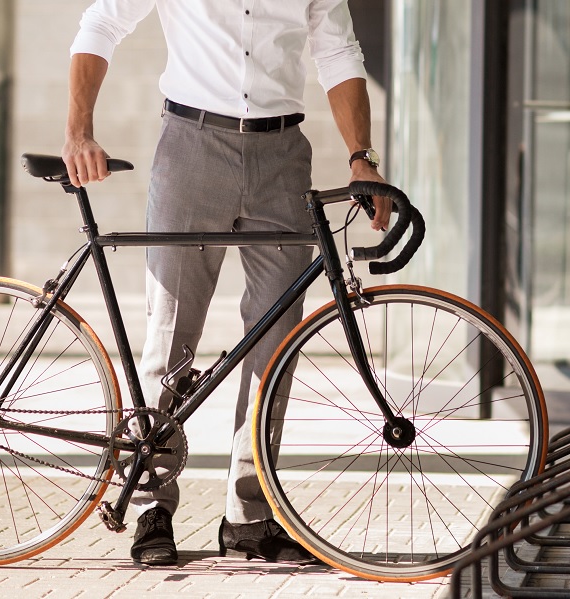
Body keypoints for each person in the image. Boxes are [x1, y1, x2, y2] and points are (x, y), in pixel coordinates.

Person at [62, 0, 390, 566]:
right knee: (171, 334)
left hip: (283, 157)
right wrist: (79, 131)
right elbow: (101, 23)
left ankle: (250, 517)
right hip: (192, 145)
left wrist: (361, 159)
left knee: (276, 345)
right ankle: (150, 505)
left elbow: (339, 52)